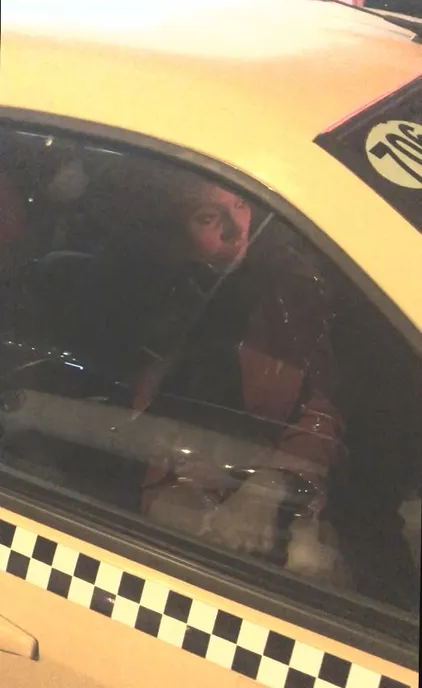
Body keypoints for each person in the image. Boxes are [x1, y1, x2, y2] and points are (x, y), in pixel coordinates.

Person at [134, 170, 348, 581]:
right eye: (208, 217)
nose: (236, 230)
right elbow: (130, 430)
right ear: (175, 231)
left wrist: (270, 485)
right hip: (153, 486)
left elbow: (320, 411)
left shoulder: (290, 293)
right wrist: (186, 499)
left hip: (271, 474)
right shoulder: (144, 300)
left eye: (241, 205)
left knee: (313, 565)